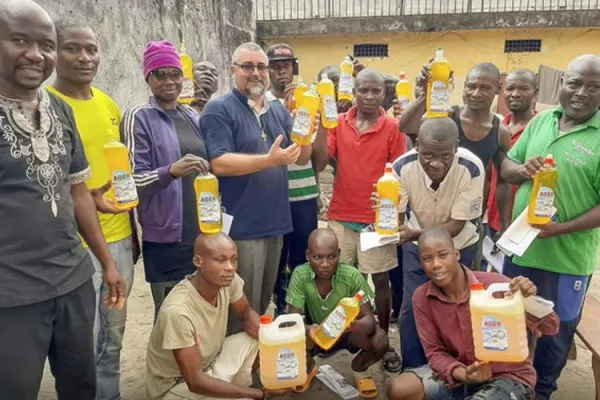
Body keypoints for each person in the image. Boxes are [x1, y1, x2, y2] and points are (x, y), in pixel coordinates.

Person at [0, 1, 125, 398]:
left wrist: (106, 261)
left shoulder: (60, 109)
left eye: (46, 44)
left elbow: (77, 190)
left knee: (80, 385)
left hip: (71, 280)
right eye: (20, 40)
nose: (36, 54)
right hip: (11, 294)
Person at [500, 54, 600, 400]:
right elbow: (508, 167)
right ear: (562, 84)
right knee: (514, 318)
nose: (582, 93)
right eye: (574, 83)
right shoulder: (543, 122)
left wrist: (562, 228)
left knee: (556, 331)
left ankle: (541, 391)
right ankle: (511, 384)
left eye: (594, 87)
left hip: (567, 258)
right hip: (522, 246)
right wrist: (523, 168)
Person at [47, 20, 136, 400]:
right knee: (81, 342)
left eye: (91, 49)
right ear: (53, 51)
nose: (84, 57)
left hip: (119, 235)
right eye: (72, 48)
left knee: (114, 334)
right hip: (74, 246)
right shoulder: (47, 107)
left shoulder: (108, 104)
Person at [200, 42, 313, 330]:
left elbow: (301, 157)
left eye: (261, 67)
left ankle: (256, 362)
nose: (256, 73)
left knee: (263, 302)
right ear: (233, 70)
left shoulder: (277, 111)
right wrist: (268, 161)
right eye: (247, 66)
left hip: (275, 223)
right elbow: (219, 162)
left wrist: (309, 125)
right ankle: (235, 368)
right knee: (240, 304)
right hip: (242, 227)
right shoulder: (219, 109)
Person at [386, 228, 559, 400]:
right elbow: (435, 353)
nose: (436, 264)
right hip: (462, 374)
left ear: (456, 254)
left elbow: (551, 326)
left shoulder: (498, 285)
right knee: (400, 389)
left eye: (443, 255)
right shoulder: (422, 298)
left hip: (507, 377)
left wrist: (529, 299)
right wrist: (464, 374)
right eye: (427, 259)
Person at [313, 68, 407, 373]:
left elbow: (400, 176)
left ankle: (383, 339)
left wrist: (393, 215)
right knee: (341, 280)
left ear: (384, 94)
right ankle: (344, 336)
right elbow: (321, 161)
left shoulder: (393, 128)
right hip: (341, 216)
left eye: (375, 91)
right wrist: (320, 125)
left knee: (380, 281)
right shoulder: (338, 123)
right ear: (353, 91)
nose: (368, 96)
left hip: (376, 222)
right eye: (363, 90)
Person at [384, 117, 485, 369]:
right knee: (412, 307)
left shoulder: (472, 167)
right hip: (417, 249)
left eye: (445, 156)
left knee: (460, 306)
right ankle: (413, 369)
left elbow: (457, 225)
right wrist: (387, 215)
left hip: (460, 245)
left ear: (456, 147)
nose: (436, 164)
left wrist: (413, 233)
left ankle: (461, 368)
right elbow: (397, 218)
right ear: (417, 145)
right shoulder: (401, 168)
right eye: (427, 155)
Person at [121, 40, 210, 318]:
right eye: (160, 73)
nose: (170, 81)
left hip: (201, 233)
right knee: (171, 318)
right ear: (148, 77)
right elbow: (132, 183)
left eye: (175, 73)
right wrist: (170, 171)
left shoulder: (193, 116)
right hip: (166, 239)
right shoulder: (139, 117)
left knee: (201, 313)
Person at [400, 62, 512, 243]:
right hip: (432, 211)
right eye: (471, 86)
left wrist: (505, 224)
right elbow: (406, 126)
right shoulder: (446, 116)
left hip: (469, 219)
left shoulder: (500, 132)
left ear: (498, 88)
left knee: (465, 270)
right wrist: (427, 92)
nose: (476, 93)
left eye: (484, 88)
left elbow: (502, 181)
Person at [146, 233, 266, 400]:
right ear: (198, 261)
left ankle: (238, 389)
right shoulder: (177, 311)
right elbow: (195, 382)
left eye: (234, 259)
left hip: (209, 365)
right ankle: (243, 391)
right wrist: (259, 394)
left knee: (258, 341)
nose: (230, 267)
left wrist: (268, 335)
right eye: (220, 260)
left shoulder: (228, 280)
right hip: (177, 386)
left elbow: (246, 312)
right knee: (245, 398)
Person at [286, 228, 388, 398]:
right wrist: (310, 329)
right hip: (317, 333)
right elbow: (292, 322)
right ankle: (309, 366)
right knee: (293, 339)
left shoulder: (352, 276)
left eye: (331, 257)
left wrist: (351, 325)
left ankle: (359, 369)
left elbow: (370, 322)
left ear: (339, 254)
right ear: (307, 255)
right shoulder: (300, 275)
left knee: (380, 339)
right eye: (317, 257)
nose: (325, 264)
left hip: (349, 334)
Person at [265, 43, 320, 314]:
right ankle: (278, 307)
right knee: (276, 258)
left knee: (304, 257)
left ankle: (303, 312)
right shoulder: (261, 102)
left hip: (305, 194)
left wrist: (298, 115)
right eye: (274, 66)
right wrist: (284, 115)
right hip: (276, 196)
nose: (280, 71)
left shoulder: (308, 98)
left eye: (285, 66)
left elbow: (307, 154)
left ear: (293, 68)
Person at [486, 69, 538, 239]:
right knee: (494, 265)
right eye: (510, 89)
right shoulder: (497, 127)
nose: (515, 94)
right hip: (494, 217)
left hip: (526, 219)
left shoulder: (541, 129)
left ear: (535, 93)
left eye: (523, 89)